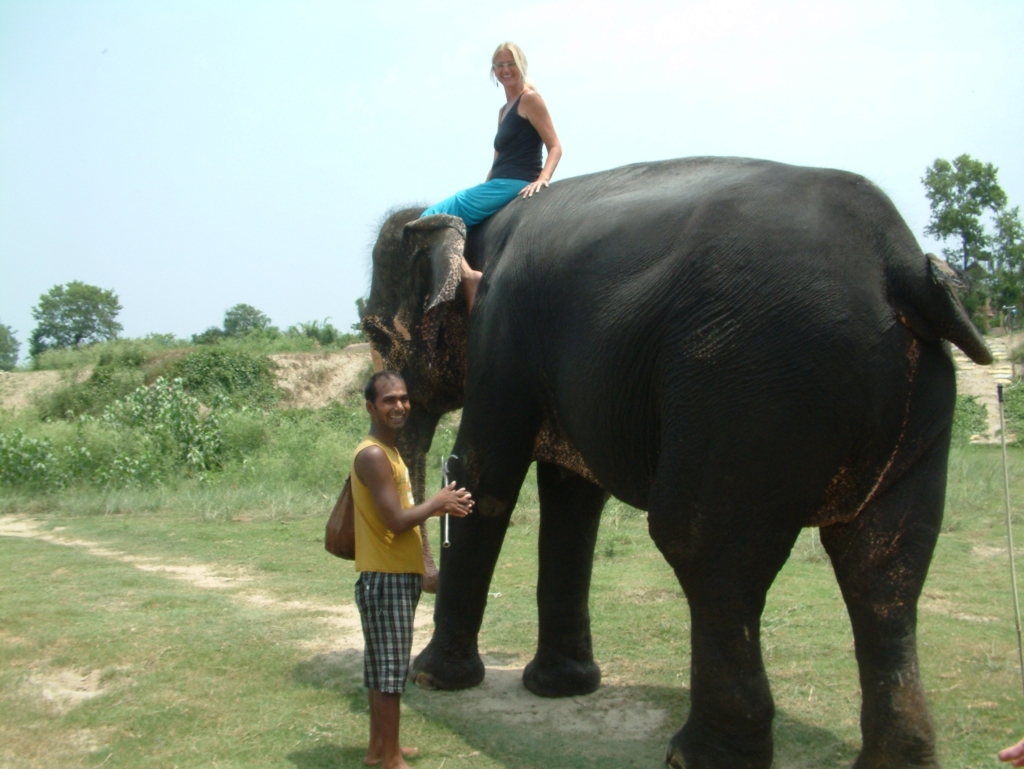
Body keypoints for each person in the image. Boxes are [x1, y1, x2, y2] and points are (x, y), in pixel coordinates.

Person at [352, 370, 473, 768]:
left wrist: (443, 503)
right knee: (389, 676)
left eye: (403, 398)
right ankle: (392, 761)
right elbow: (396, 521)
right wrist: (438, 502)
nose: (399, 406)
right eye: (389, 400)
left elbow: (403, 515)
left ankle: (380, 749)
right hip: (385, 579)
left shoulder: (391, 453)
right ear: (371, 407)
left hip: (392, 577)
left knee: (380, 668)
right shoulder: (372, 455)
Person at [420, 41, 562, 311]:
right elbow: (498, 157)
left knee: (431, 218)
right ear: (493, 71)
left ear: (521, 66)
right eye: (500, 65)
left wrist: (543, 178)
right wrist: (484, 188)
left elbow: (555, 145)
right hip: (497, 182)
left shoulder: (530, 99)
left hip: (514, 182)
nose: (505, 70)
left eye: (511, 64)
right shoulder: (503, 110)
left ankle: (470, 277)